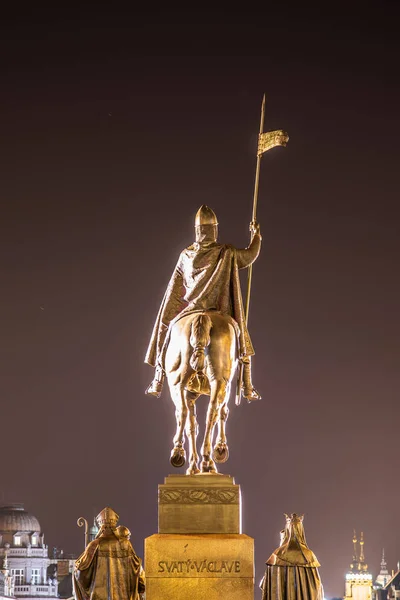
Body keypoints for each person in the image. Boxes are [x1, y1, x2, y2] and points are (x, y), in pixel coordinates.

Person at [145, 204, 262, 401]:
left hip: (190, 310)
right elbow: (249, 256)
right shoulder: (226, 252)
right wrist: (257, 236)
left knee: (167, 332)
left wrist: (169, 317)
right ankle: (248, 385)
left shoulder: (186, 255)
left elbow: (174, 291)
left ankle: (158, 378)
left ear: (197, 231)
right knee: (241, 337)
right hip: (219, 310)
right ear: (214, 229)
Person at [73, 507, 145, 600]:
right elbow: (137, 568)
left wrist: (76, 568)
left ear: (101, 527)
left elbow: (80, 571)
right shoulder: (126, 544)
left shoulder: (94, 545)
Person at [260, 514, 324, 600]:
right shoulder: (309, 555)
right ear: (301, 531)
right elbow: (317, 587)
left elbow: (266, 584)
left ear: (287, 530)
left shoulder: (277, 555)